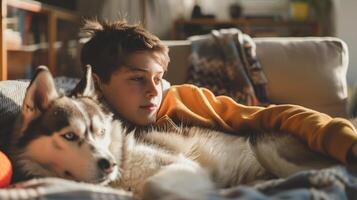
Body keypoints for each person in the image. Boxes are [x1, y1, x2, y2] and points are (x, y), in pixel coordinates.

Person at [79, 19, 357, 164]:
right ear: (100, 82)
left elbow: (274, 116)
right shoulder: (84, 120)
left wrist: (343, 140)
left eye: (158, 78)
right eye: (137, 79)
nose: (154, 91)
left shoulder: (183, 100)